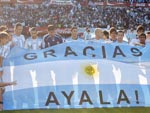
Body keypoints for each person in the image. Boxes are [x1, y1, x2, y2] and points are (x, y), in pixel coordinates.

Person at [0, 32, 17, 111]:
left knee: (2, 88)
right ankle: (1, 106)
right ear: (2, 39)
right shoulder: (3, 48)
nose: (7, 40)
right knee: (1, 88)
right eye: (6, 39)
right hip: (1, 68)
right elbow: (1, 59)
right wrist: (1, 69)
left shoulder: (3, 47)